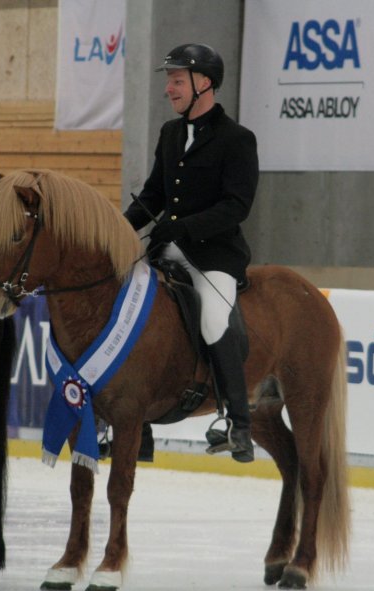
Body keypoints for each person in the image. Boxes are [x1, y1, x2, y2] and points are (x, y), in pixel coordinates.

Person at [123, 43, 259, 463]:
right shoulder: (170, 134)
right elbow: (153, 194)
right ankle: (132, 425)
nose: (169, 88)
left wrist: (183, 227)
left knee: (214, 316)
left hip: (213, 256)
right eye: (169, 80)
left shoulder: (237, 139)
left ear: (204, 83)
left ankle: (238, 423)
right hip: (167, 251)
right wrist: (115, 232)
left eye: (177, 80)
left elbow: (236, 206)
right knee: (126, 309)